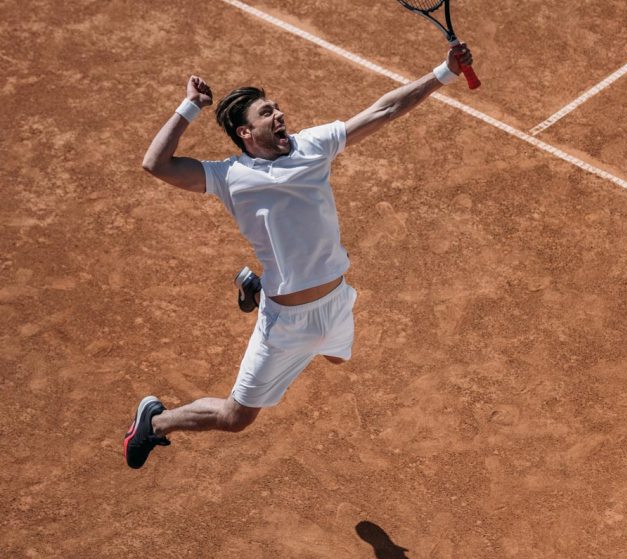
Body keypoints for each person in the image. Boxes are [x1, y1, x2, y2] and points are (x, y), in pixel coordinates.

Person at [123, 42, 474, 468]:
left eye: (276, 107)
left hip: (335, 301)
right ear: (246, 134)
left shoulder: (313, 145)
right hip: (285, 326)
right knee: (236, 418)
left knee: (334, 358)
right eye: (266, 113)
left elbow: (384, 111)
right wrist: (190, 107)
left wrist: (445, 72)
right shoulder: (228, 176)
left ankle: (259, 285)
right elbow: (155, 164)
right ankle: (155, 423)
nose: (279, 115)